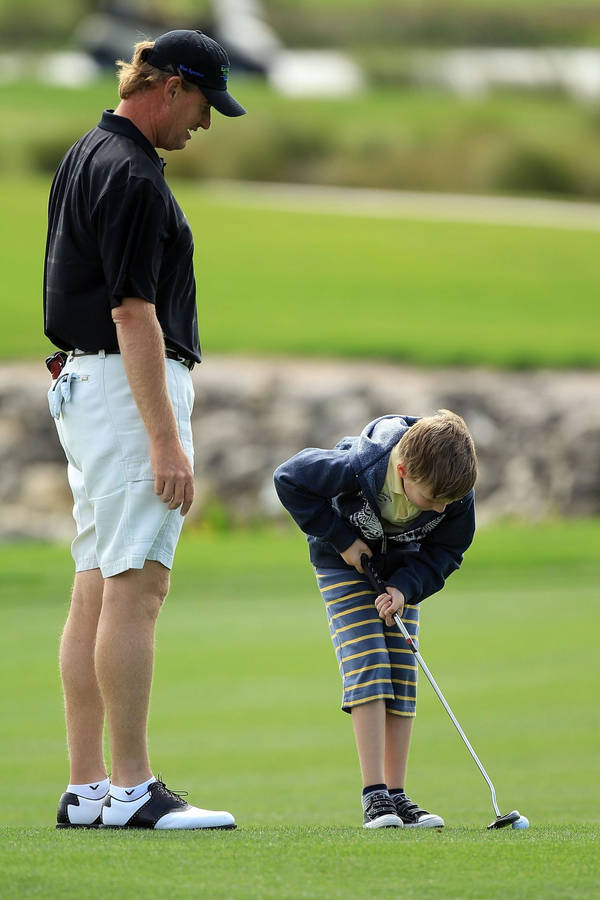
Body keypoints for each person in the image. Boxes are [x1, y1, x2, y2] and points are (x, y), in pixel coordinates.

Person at [43, 30, 246, 831]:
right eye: (203, 105)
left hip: (84, 388)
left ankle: (87, 786)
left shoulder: (88, 150)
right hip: (127, 391)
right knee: (138, 585)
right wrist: (166, 440)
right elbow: (133, 310)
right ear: (170, 88)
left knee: (96, 582)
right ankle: (130, 788)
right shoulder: (131, 174)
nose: (205, 124)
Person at [274, 410, 477, 829]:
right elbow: (289, 479)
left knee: (402, 669)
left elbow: (447, 552)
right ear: (402, 470)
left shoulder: (453, 492)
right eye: (433, 499)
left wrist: (405, 587)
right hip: (342, 566)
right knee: (369, 660)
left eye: (448, 502)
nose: (440, 508)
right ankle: (375, 795)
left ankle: (398, 796)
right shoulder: (357, 465)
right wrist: (344, 540)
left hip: (401, 574)